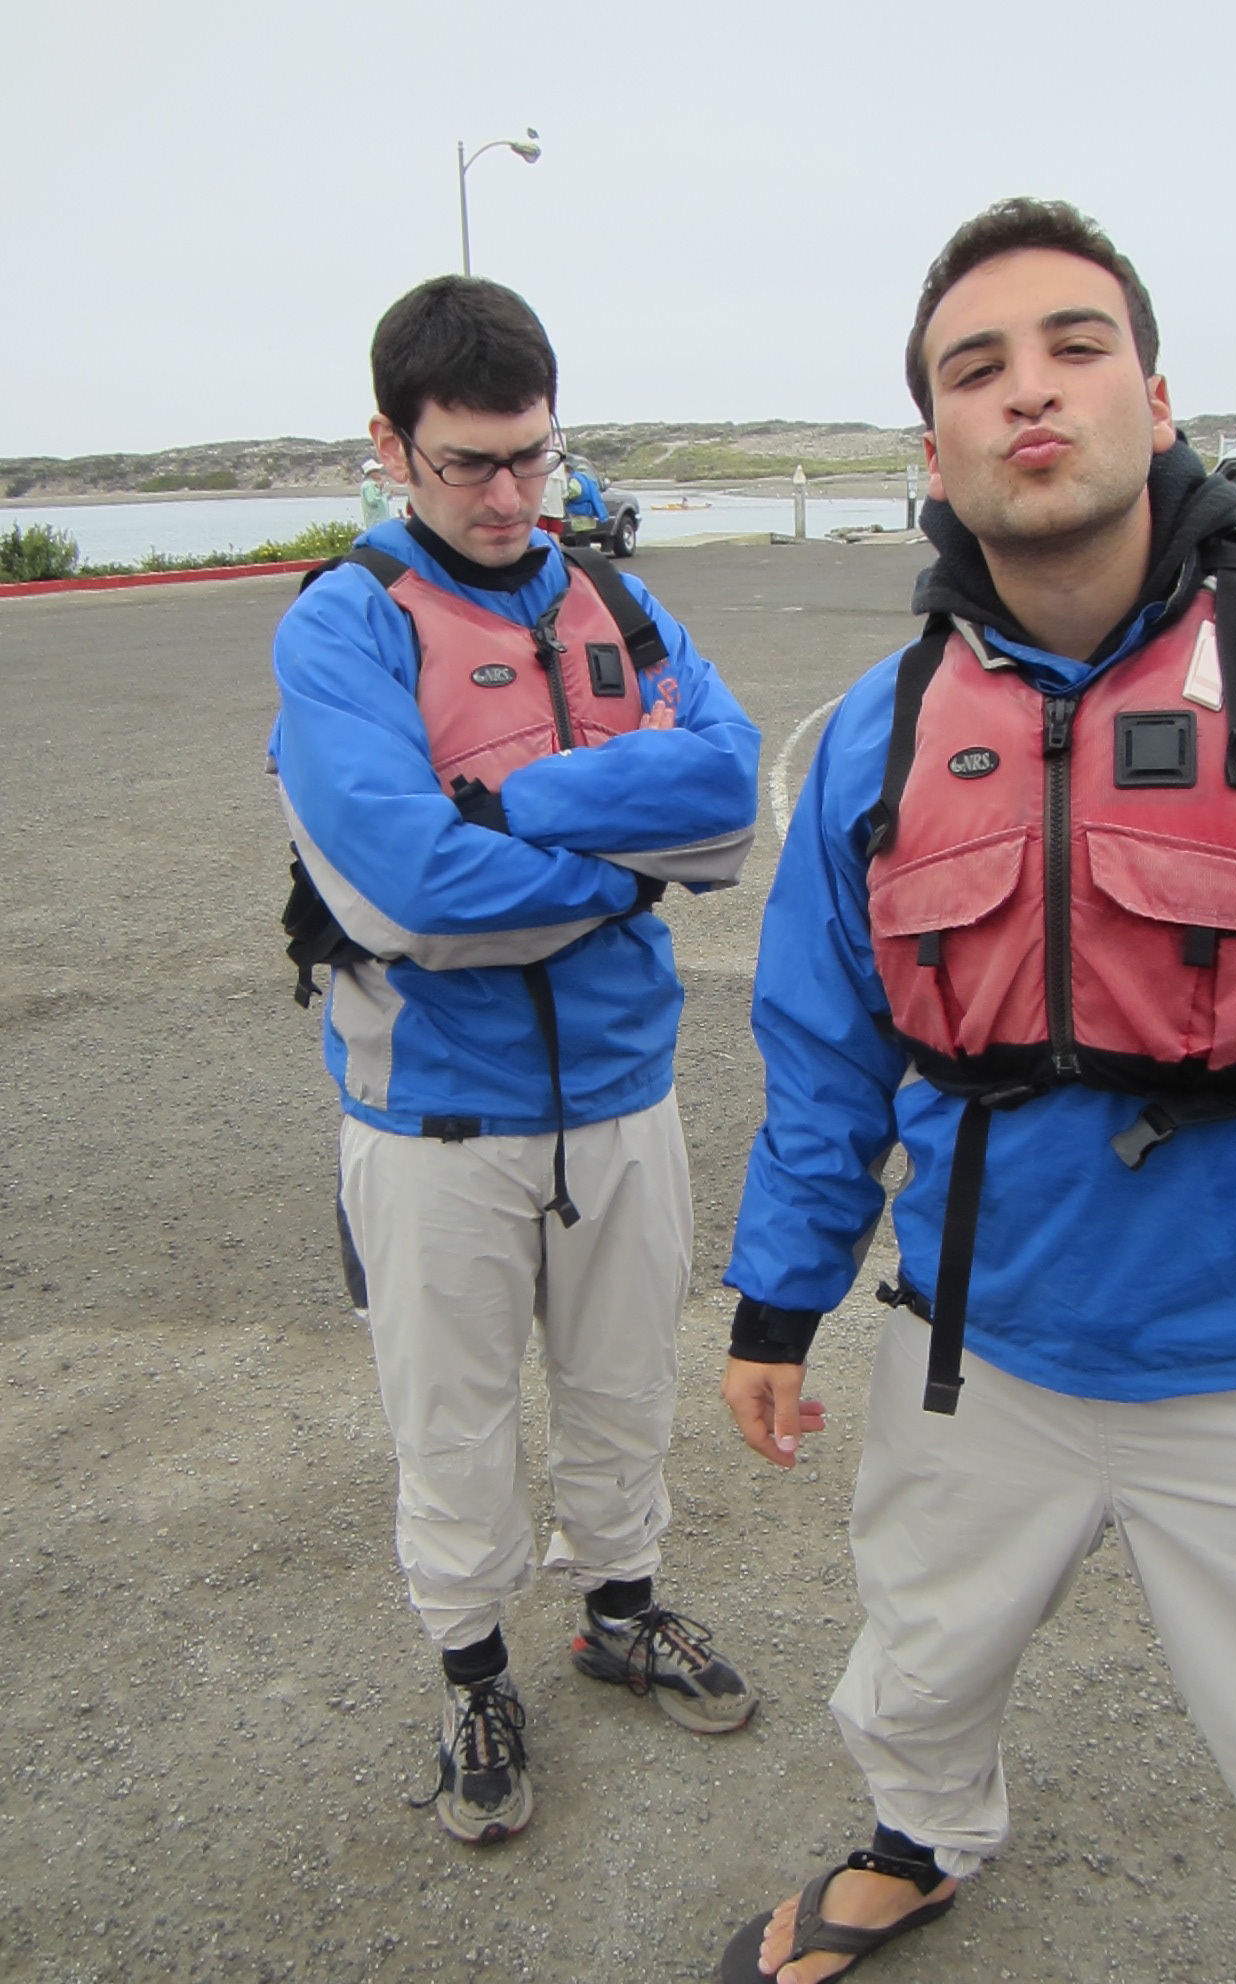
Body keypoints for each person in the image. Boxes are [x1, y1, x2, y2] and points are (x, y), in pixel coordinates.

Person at [718, 198, 1236, 1984]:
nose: (1030, 390)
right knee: (916, 1663)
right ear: (933, 447)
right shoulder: (877, 732)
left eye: (1075, 347)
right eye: (975, 368)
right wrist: (774, 1302)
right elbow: (825, 1052)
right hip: (969, 1346)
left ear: (1154, 396)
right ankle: (918, 1838)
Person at [269, 274, 762, 1850]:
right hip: (433, 1117)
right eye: (468, 462)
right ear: (390, 447)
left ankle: (621, 1610)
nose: (507, 496)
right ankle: (473, 1668)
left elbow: (730, 802)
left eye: (532, 456)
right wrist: (627, 858)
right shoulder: (344, 625)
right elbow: (411, 897)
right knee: (453, 1420)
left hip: (621, 1093)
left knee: (623, 1384)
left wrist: (504, 808)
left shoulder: (617, 604)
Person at [359, 456, 391, 530]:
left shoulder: (373, 485)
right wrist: (380, 489)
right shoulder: (367, 485)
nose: (379, 473)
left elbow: (380, 499)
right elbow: (373, 501)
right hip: (375, 524)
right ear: (371, 473)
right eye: (377, 471)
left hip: (382, 523)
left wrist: (388, 495)